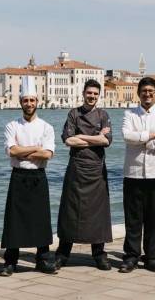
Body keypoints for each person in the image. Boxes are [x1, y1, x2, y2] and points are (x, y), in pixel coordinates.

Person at [0, 76, 57, 277]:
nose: (29, 104)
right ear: (21, 102)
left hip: (39, 176)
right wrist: (34, 148)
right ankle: (10, 261)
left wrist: (22, 150)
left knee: (41, 219)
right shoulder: (11, 126)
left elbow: (48, 154)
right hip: (18, 175)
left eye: (32, 100)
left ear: (37, 102)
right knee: (14, 220)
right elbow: (12, 151)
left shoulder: (46, 127)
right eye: (26, 100)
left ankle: (42, 260)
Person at [119, 77, 155, 273]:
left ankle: (151, 256)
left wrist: (146, 142)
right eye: (144, 91)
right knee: (132, 218)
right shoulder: (129, 114)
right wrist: (151, 135)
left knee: (153, 218)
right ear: (139, 93)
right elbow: (127, 136)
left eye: (151, 91)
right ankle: (131, 256)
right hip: (133, 173)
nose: (147, 94)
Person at [56, 79, 113, 271]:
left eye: (95, 94)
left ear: (99, 95)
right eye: (89, 93)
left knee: (98, 214)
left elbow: (106, 142)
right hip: (76, 169)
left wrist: (82, 137)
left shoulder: (103, 115)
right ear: (83, 93)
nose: (92, 96)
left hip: (97, 171)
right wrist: (96, 138)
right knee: (70, 212)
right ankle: (62, 254)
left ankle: (99, 254)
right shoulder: (74, 113)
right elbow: (68, 141)